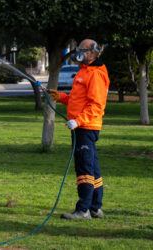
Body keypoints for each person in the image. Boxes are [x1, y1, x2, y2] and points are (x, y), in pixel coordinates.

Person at [51, 38, 110, 221]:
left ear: (93, 52)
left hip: (86, 127)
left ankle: (83, 210)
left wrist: (78, 121)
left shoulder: (96, 74)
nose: (79, 53)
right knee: (93, 168)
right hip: (82, 126)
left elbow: (96, 105)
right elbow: (77, 100)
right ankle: (95, 208)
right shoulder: (84, 72)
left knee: (84, 169)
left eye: (83, 50)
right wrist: (59, 96)